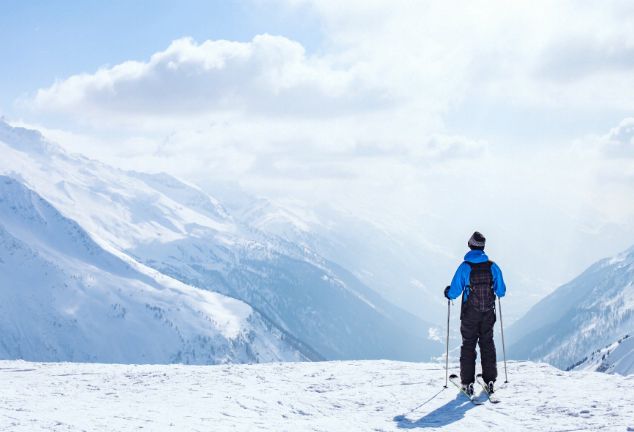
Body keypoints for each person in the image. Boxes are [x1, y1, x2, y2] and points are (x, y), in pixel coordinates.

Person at [444, 231, 506, 396]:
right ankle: (490, 380)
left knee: (468, 346)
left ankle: (467, 383)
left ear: (470, 246)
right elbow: (501, 291)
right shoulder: (493, 266)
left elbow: (455, 291)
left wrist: (448, 293)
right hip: (488, 313)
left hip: (470, 314)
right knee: (487, 344)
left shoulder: (465, 267)